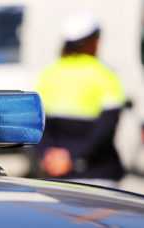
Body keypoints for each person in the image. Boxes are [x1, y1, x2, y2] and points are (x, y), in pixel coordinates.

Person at [34, 13, 126, 181]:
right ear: (94, 41)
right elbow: (106, 127)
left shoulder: (48, 74)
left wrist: (49, 155)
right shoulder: (105, 75)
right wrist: (73, 157)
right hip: (98, 171)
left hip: (57, 173)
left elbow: (37, 125)